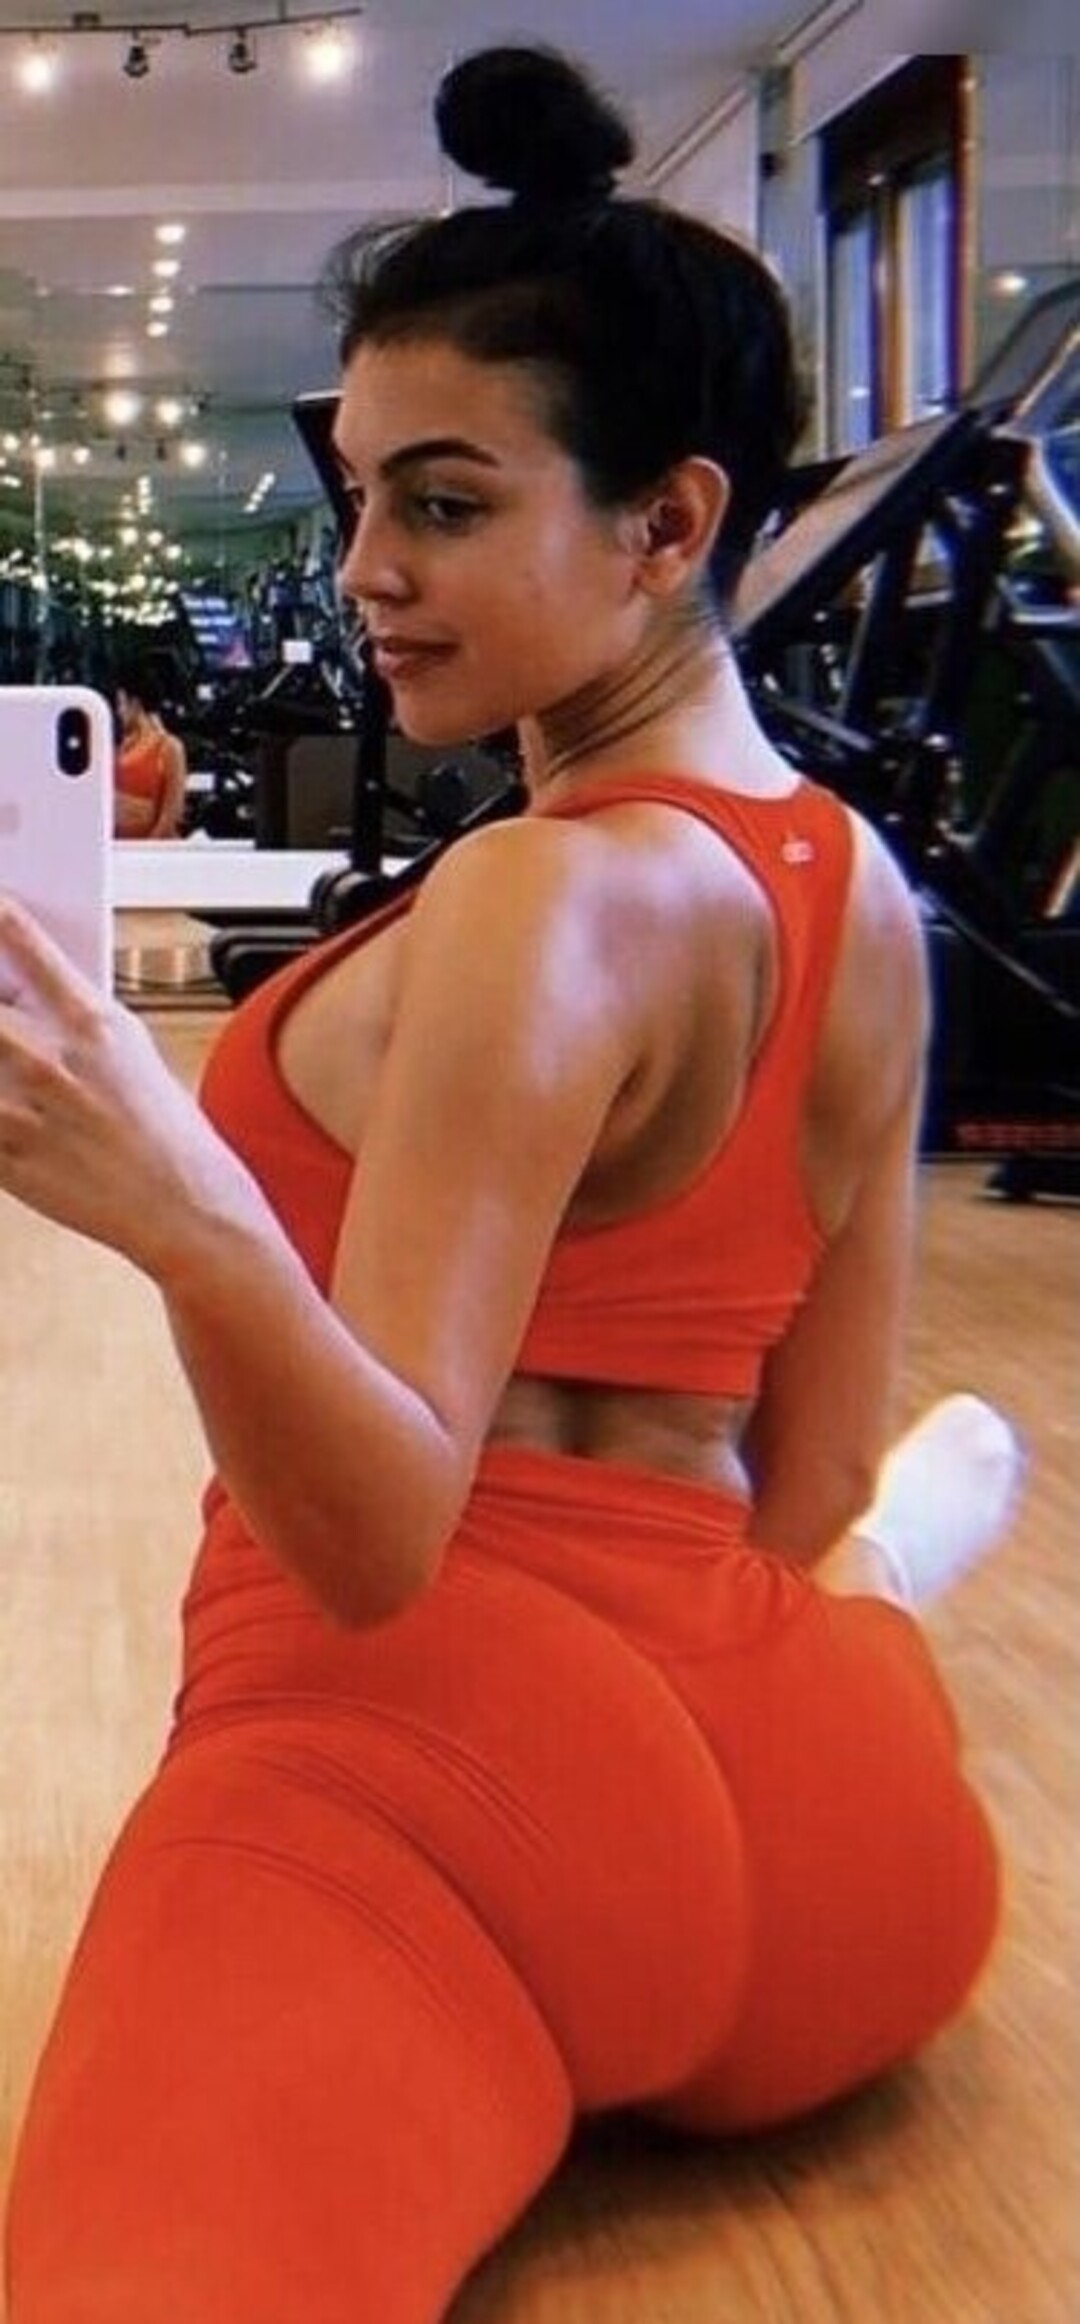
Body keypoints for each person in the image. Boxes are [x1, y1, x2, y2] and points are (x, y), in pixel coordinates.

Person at [0, 45, 1024, 2324]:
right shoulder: (853, 888)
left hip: (421, 1778)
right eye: (361, 494)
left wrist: (174, 1195)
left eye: (445, 505)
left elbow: (374, 1546)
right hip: (841, 1852)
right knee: (852, 1563)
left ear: (668, 522)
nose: (366, 568)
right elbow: (802, 1479)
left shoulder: (537, 900)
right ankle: (916, 1579)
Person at [112, 664, 188, 839]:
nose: (118, 712)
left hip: (152, 849)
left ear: (135, 703)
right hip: (119, 848)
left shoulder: (169, 747)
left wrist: (148, 850)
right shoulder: (118, 748)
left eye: (121, 703)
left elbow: (171, 815)